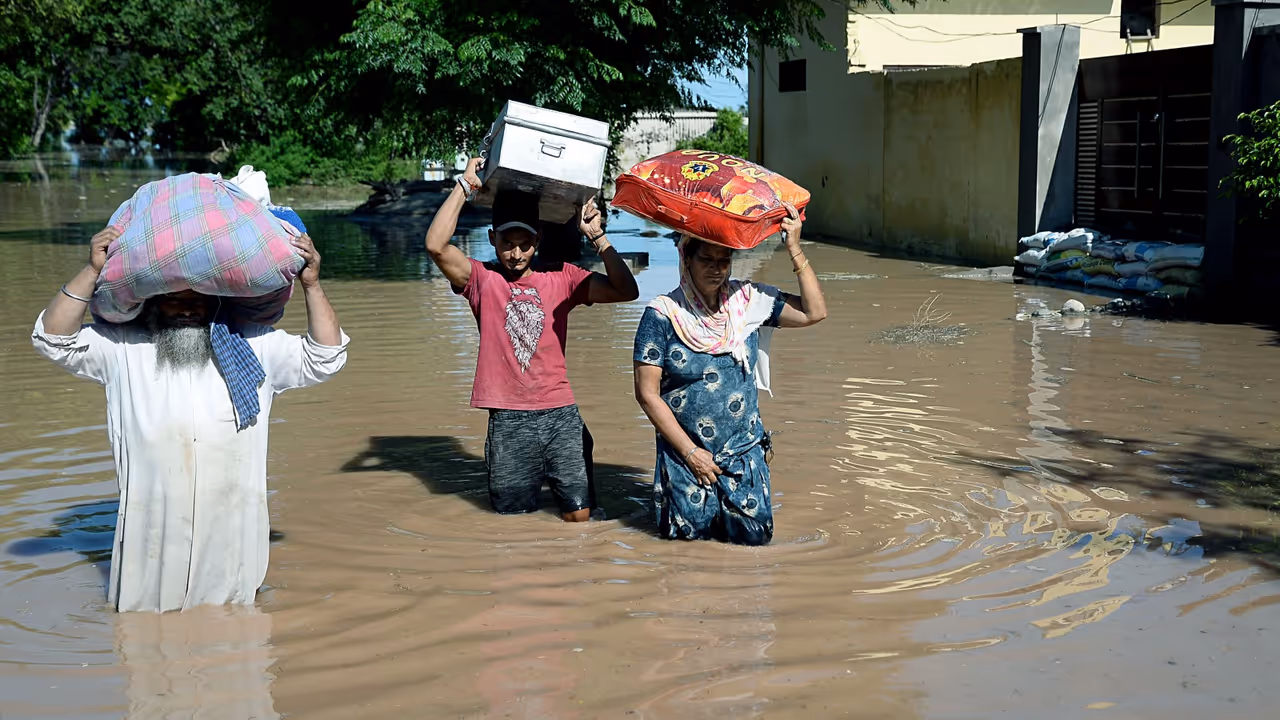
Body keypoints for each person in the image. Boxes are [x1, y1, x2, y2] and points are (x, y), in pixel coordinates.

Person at [31, 227, 349, 612]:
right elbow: (52, 339)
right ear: (150, 304)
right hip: (152, 525)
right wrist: (92, 269)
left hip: (232, 519)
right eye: (173, 300)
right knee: (144, 627)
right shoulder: (121, 348)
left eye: (197, 300)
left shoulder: (251, 346)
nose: (186, 309)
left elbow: (325, 357)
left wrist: (312, 285)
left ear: (216, 304)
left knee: (236, 627)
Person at [426, 158, 639, 522]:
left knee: (579, 517)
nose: (516, 254)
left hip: (560, 414)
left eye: (525, 244)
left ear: (537, 242)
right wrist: (464, 187)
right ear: (492, 239)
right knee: (513, 521)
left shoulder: (563, 278)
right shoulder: (481, 280)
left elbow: (626, 290)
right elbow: (436, 245)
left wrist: (598, 237)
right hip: (509, 418)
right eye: (507, 244)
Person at [632, 203, 826, 545]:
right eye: (707, 260)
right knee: (686, 554)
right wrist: (692, 454)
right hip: (686, 460)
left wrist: (794, 248)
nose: (716, 270)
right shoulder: (662, 315)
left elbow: (814, 312)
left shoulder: (748, 302)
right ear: (685, 258)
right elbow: (647, 394)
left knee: (754, 546)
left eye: (724, 261)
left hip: (744, 456)